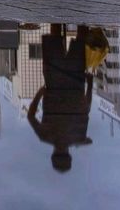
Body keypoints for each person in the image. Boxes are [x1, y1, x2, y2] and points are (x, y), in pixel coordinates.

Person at [27, 25, 93, 173]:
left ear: (69, 156)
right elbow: (30, 116)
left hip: (75, 83)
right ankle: (57, 6)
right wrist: (41, 92)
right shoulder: (45, 136)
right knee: (55, 37)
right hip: (54, 81)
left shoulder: (78, 137)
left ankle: (82, 9)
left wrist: (90, 84)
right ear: (53, 155)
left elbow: (85, 108)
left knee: (80, 38)